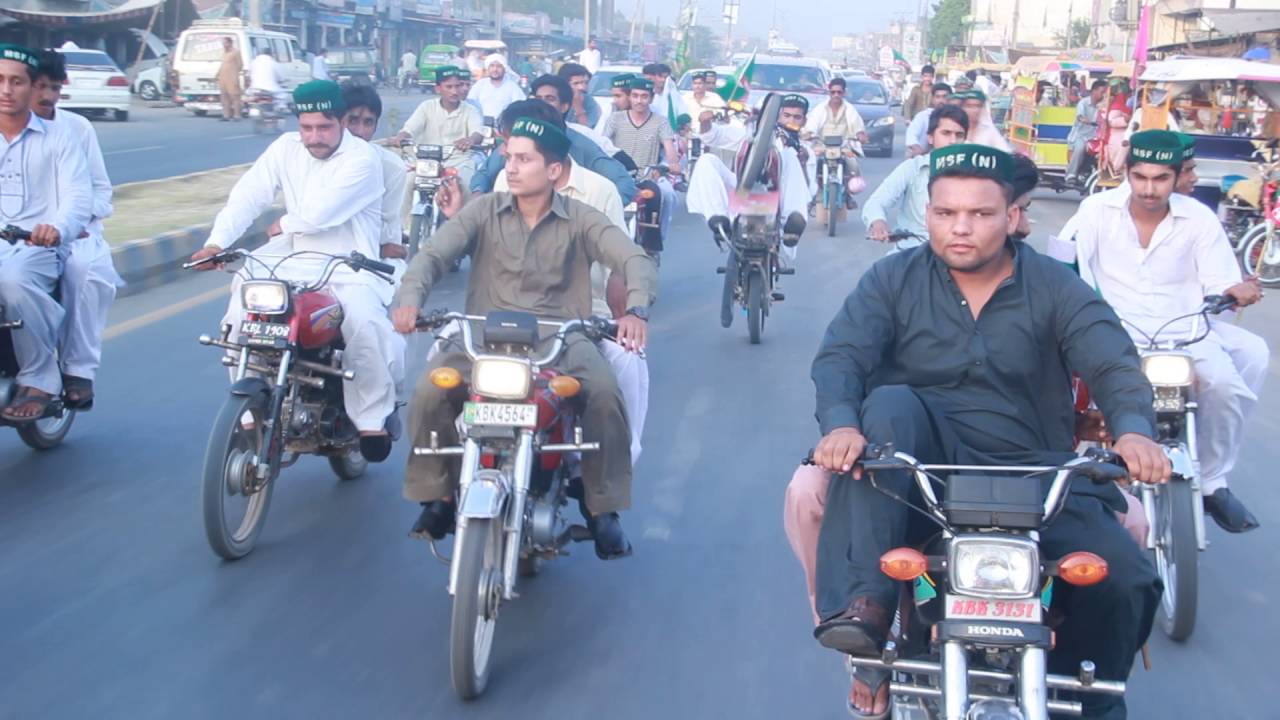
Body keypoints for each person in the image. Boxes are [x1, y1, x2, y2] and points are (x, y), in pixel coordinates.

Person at [801, 143, 1167, 719]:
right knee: (890, 403)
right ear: (927, 215)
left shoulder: (1056, 286)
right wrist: (842, 424)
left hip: (1036, 475)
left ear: (1012, 217)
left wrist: (1135, 431)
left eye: (980, 214)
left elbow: (1113, 361)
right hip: (922, 474)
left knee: (1125, 580)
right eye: (945, 214)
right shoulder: (892, 279)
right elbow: (842, 356)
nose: (961, 228)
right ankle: (866, 617)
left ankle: (1088, 698)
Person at [390, 116, 658, 560]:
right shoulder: (482, 210)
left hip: (561, 337)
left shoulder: (581, 218)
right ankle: (436, 496)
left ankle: (601, 507)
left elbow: (633, 259)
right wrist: (409, 300)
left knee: (606, 395)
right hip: (481, 333)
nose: (510, 167)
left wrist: (635, 308)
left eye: (523, 159)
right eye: (509, 158)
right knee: (428, 392)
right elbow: (433, 255)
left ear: (554, 170)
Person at [1061, 129, 1265, 533]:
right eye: (1141, 177)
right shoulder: (1096, 210)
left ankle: (1213, 482)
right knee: (1079, 399)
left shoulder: (1199, 219)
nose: (1149, 189)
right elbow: (1064, 261)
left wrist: (1233, 292)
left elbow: (1218, 281)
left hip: (1185, 333)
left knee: (1226, 387)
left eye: (1160, 179)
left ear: (1178, 178)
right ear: (1127, 173)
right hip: (1113, 333)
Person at [189, 80, 404, 462]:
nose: (315, 137)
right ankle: (249, 398)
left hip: (349, 263)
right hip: (292, 255)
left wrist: (285, 224)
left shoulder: (364, 159)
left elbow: (324, 212)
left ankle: (371, 418)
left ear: (340, 122)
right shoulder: (285, 148)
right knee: (244, 292)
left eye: (324, 127)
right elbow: (249, 193)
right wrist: (217, 243)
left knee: (365, 323)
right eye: (307, 127)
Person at [0, 44, 92, 423]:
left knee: (11, 279)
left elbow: (78, 196)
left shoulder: (60, 138)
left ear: (32, 87)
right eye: (0, 81)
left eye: (16, 82)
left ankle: (39, 376)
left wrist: (57, 228)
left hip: (33, 248)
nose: (7, 89)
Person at [31, 50, 120, 411]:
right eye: (38, 86)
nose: (46, 96)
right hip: (14, 235)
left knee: (82, 269)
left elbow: (101, 192)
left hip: (73, 235)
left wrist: (73, 224)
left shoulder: (77, 128)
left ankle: (78, 370)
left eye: (53, 87)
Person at [686, 93, 811, 259]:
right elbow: (713, 136)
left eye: (796, 117)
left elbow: (808, 189)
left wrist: (802, 160)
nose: (790, 121)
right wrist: (705, 121)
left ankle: (792, 224)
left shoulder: (802, 148)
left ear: (804, 121)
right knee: (706, 160)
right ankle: (719, 220)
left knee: (790, 156)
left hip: (777, 199)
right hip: (740, 191)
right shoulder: (748, 135)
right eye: (786, 115)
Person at [472, 99, 637, 202]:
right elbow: (483, 175)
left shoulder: (595, 188)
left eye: (550, 98)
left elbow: (624, 185)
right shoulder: (504, 179)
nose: (504, 151)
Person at [863, 104, 968, 253]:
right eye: (946, 133)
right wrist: (878, 222)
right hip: (911, 249)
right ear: (930, 137)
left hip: (955, 252)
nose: (952, 141)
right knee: (879, 274)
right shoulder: (913, 168)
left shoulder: (973, 173)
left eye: (959, 135)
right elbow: (875, 203)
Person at [340, 84, 408, 265]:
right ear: (338, 120)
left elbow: (389, 233)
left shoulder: (392, 168)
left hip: (371, 257)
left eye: (368, 122)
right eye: (352, 120)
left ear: (376, 126)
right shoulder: (317, 158)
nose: (360, 131)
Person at [395, 65, 483, 192]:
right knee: (407, 181)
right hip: (426, 162)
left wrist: (470, 140)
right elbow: (410, 129)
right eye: (449, 87)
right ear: (438, 89)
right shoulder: (426, 107)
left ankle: (464, 212)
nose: (455, 91)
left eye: (457, 86)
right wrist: (402, 136)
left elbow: (478, 133)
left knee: (466, 182)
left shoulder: (470, 110)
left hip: (459, 161)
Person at [803, 77, 869, 210]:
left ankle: (848, 195)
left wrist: (860, 135)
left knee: (853, 163)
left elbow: (857, 127)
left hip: (844, 146)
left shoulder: (850, 110)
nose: (836, 95)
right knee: (810, 163)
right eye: (833, 92)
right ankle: (810, 194)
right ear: (829, 93)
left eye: (839, 92)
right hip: (822, 145)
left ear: (844, 93)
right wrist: (808, 133)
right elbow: (812, 125)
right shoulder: (820, 109)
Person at [531, 74, 620, 158]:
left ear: (564, 107)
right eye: (538, 99)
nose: (542, 104)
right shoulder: (523, 131)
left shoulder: (583, 134)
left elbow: (619, 158)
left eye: (550, 99)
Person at [1066, 80, 1106, 186]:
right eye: (1102, 92)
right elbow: (1080, 116)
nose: (1104, 95)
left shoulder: (1103, 105)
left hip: (1096, 137)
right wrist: (1087, 121)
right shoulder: (1083, 103)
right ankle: (1071, 174)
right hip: (1081, 136)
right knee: (1080, 148)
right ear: (1094, 91)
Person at [467, 54, 526, 119]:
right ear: (488, 68)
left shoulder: (512, 87)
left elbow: (520, 106)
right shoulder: (480, 84)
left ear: (504, 69)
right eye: (492, 66)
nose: (495, 69)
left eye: (499, 66)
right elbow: (470, 103)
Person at [904, 82, 951, 157]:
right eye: (937, 97)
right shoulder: (923, 116)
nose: (941, 100)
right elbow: (911, 135)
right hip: (923, 155)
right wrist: (917, 149)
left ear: (951, 98)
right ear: (933, 99)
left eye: (944, 97)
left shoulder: (955, 117)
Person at [557, 61, 601, 129]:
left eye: (585, 83)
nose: (582, 87)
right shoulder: (555, 99)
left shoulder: (589, 101)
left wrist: (578, 107)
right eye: (576, 83)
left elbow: (587, 132)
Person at [642, 63, 686, 127]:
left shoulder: (673, 96)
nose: (663, 80)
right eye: (660, 76)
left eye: (665, 77)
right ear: (654, 77)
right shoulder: (646, 95)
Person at [247, 45, 287, 112]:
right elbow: (281, 77)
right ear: (270, 54)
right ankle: (281, 108)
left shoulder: (253, 62)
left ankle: (247, 108)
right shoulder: (274, 63)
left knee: (248, 95)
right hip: (271, 89)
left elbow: (249, 75)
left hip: (255, 88)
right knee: (282, 95)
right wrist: (281, 80)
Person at [216, 37, 244, 122]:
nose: (224, 45)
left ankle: (237, 115)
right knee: (224, 98)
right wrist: (217, 74)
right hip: (223, 78)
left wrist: (234, 73)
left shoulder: (236, 52)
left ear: (230, 43)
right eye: (223, 43)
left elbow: (240, 65)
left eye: (225, 43)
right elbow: (223, 65)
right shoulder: (224, 53)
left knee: (235, 97)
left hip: (232, 78)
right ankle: (226, 115)